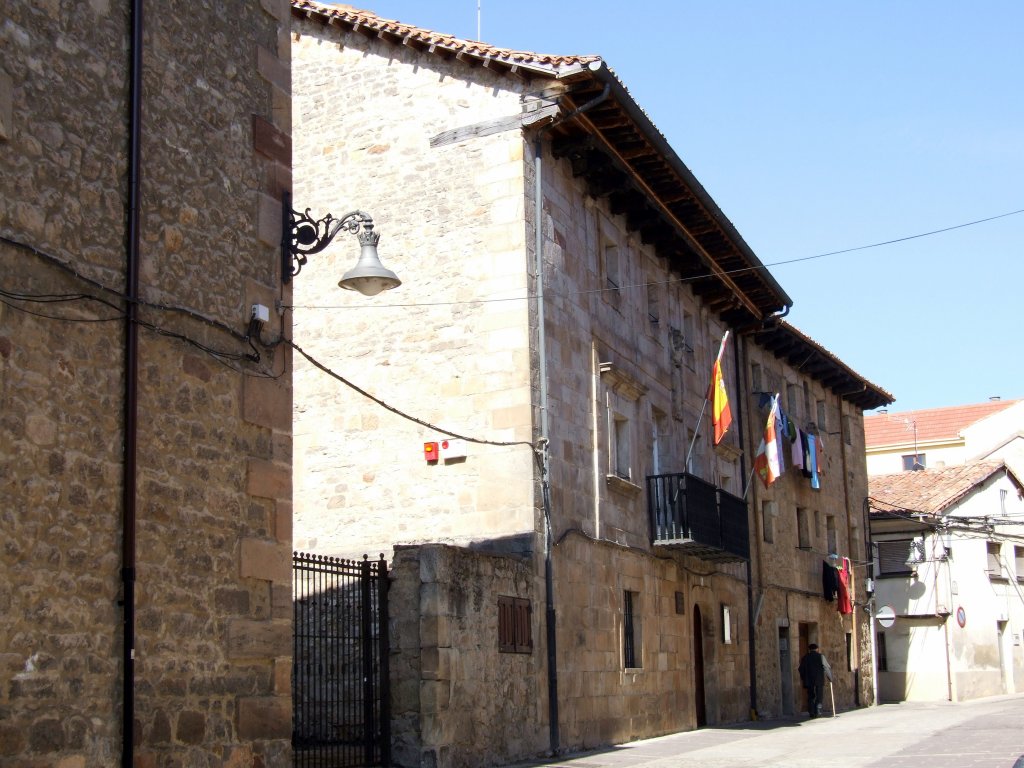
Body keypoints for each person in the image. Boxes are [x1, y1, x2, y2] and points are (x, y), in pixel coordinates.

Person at [798, 643, 833, 718]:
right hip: (819, 679)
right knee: (819, 695)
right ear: (817, 649)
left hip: (809, 680)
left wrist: (803, 678)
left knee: (811, 696)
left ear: (809, 650)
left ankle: (811, 712)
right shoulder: (821, 657)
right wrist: (830, 678)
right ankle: (818, 711)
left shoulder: (805, 658)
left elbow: (800, 669)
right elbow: (826, 667)